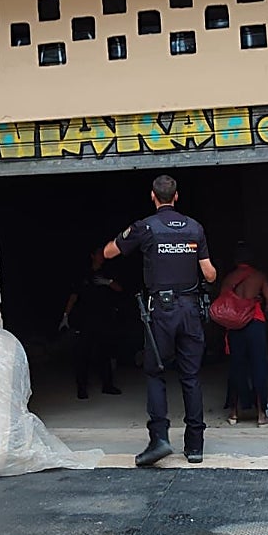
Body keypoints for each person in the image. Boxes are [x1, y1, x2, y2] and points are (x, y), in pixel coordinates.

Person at [104, 174, 216, 466]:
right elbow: (210, 275)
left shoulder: (146, 227)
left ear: (153, 196)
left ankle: (160, 439)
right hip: (190, 310)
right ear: (176, 196)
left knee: (155, 373)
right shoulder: (195, 228)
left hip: (161, 311)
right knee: (190, 377)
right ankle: (195, 447)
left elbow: (109, 252)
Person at [60, 247, 124, 400]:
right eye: (99, 254)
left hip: (104, 319)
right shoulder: (83, 274)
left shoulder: (108, 272)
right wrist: (65, 315)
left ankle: (107, 385)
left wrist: (108, 282)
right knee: (83, 354)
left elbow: (120, 289)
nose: (101, 257)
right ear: (92, 256)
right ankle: (82, 388)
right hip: (85, 320)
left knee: (105, 354)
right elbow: (74, 296)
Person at [223, 242, 268, 426]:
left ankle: (234, 413)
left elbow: (224, 304)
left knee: (237, 366)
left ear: (236, 260)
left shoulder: (229, 278)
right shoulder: (259, 276)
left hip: (236, 326)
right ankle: (261, 415)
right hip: (255, 323)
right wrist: (262, 317)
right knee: (259, 367)